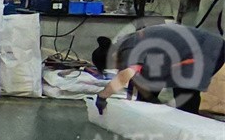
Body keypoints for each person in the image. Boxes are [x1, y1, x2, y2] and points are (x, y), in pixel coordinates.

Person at [93, 24, 225, 115]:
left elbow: (125, 76)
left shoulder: (129, 48)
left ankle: (192, 133)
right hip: (187, 53)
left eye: (114, 66)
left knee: (184, 95)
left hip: (207, 50)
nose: (117, 68)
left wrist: (103, 96)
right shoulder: (124, 44)